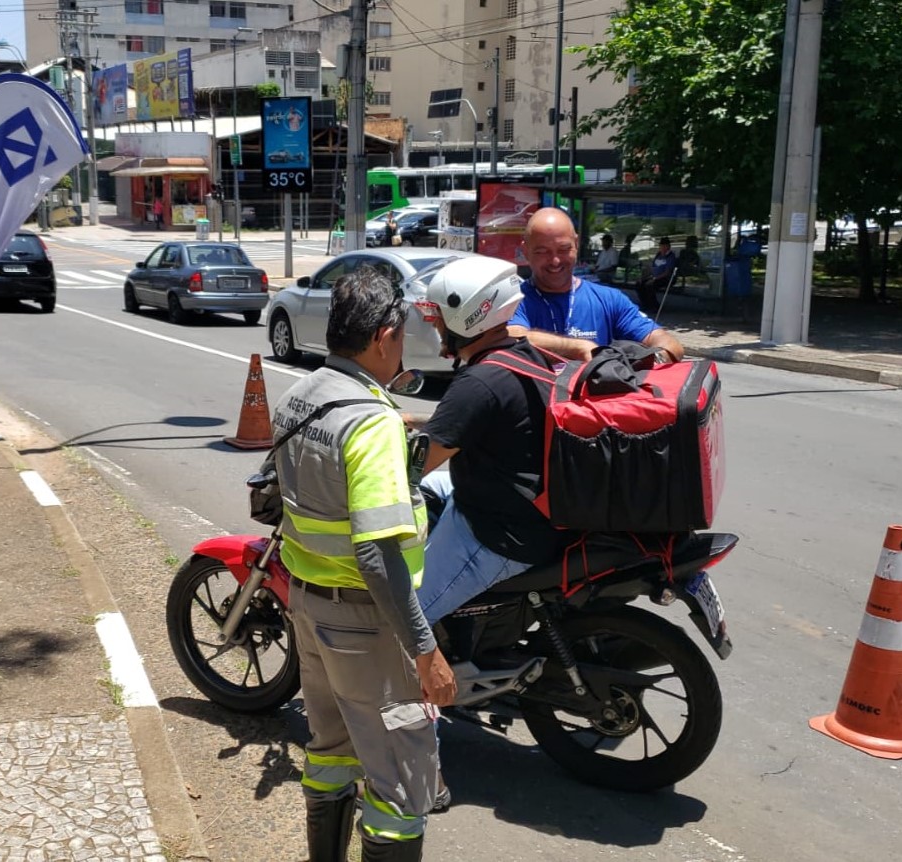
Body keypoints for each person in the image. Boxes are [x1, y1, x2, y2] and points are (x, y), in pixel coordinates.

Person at [272, 267, 456, 862]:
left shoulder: (300, 395)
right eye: (400, 337)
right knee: (402, 788)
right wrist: (425, 651)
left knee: (329, 752)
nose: (401, 347)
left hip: (308, 611)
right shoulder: (371, 422)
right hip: (366, 627)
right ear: (383, 337)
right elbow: (377, 555)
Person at [412, 256, 579, 626]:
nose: (436, 323)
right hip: (522, 505)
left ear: (465, 314)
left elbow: (413, 465)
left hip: (497, 533)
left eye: (439, 314)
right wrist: (411, 419)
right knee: (432, 488)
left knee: (399, 622)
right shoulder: (520, 357)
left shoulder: (478, 383)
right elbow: (481, 422)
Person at [507, 207, 684, 362]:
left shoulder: (609, 299)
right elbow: (512, 338)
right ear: (526, 252)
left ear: (576, 245)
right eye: (542, 251)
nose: (555, 260)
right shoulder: (512, 300)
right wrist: (578, 348)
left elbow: (670, 345)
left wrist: (647, 363)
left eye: (563, 249)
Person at [638, 236, 677, 310]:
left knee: (649, 285)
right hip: (654, 276)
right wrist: (644, 277)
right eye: (661, 246)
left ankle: (654, 306)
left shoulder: (670, 257)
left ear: (667, 246)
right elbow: (652, 267)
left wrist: (655, 278)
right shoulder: (658, 255)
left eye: (663, 246)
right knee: (639, 284)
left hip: (665, 278)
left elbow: (667, 272)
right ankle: (645, 303)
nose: (661, 247)